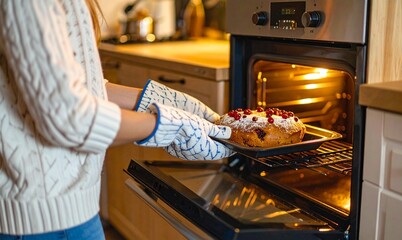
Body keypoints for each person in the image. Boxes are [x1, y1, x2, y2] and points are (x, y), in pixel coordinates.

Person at [0, 0, 233, 239]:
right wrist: (168, 125)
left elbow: (69, 87)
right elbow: (69, 117)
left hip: (68, 209)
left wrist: (163, 101)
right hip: (39, 219)